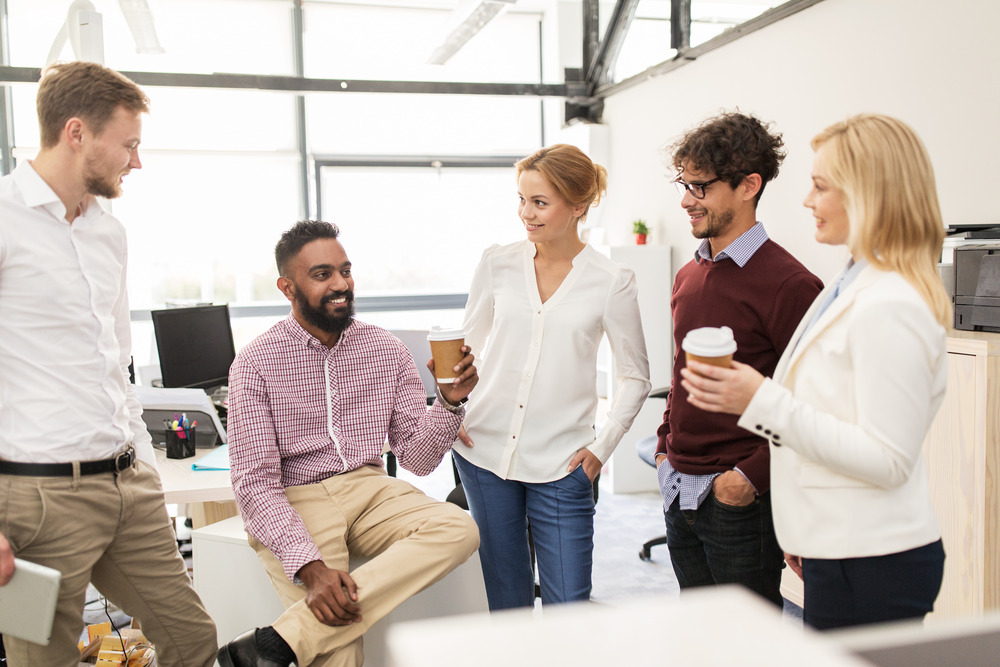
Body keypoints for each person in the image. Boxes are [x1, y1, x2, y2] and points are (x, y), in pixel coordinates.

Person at [681, 113, 949, 630]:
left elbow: (887, 458)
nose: (807, 200)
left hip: (874, 556)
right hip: (838, 544)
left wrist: (758, 400)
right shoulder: (850, 282)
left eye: (821, 187)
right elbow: (831, 416)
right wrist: (804, 529)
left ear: (869, 195)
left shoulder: (890, 302)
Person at [0, 62, 217, 666]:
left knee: (192, 639)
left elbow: (116, 361)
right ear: (77, 133)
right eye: (129, 145)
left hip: (129, 487)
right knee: (42, 660)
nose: (136, 162)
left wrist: (141, 463)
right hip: (37, 497)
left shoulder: (107, 233)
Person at [217, 220, 480, 667]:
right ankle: (299, 635)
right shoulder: (255, 362)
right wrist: (311, 569)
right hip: (296, 496)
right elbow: (254, 485)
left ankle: (280, 639)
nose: (341, 284)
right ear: (288, 287)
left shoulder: (386, 348)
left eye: (345, 270)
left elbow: (417, 457)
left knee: (459, 528)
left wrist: (449, 404)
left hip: (370, 486)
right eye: (322, 275)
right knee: (338, 652)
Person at [454, 144, 652, 610]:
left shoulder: (611, 280)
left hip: (563, 464)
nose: (526, 213)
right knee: (507, 600)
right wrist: (450, 406)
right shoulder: (497, 262)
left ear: (578, 206)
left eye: (539, 202)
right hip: (484, 451)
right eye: (521, 200)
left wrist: (602, 449)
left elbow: (636, 377)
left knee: (570, 605)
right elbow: (467, 348)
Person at [655, 112, 823, 608]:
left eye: (701, 187)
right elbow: (681, 372)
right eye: (685, 185)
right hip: (678, 486)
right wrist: (666, 448)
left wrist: (749, 478)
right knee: (702, 641)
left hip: (739, 499)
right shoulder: (688, 275)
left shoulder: (792, 285)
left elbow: (809, 405)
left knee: (751, 649)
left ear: (749, 185)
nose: (686, 200)